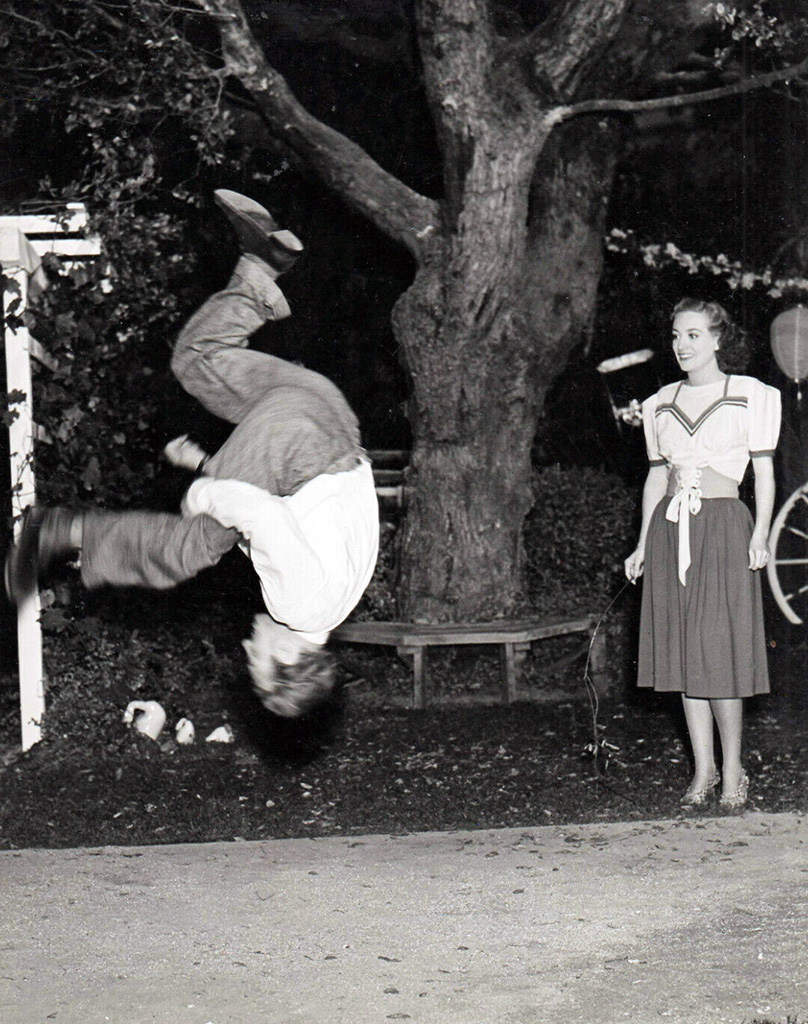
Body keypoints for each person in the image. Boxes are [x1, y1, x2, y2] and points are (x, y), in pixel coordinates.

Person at [5, 189, 380, 718]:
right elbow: (261, 510)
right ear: (287, 659)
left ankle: (259, 270)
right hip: (298, 444)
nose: (249, 647)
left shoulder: (335, 599)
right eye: (257, 660)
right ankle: (59, 531)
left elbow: (294, 510)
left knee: (197, 361)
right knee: (188, 548)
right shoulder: (298, 604)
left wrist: (208, 467)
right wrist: (204, 493)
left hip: (325, 414)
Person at [624, 297, 780, 811]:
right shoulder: (659, 403)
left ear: (717, 339)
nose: (682, 345)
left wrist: (759, 535)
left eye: (693, 334)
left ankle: (734, 771)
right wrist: (644, 543)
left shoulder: (749, 395)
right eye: (676, 335)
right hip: (672, 530)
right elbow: (653, 478)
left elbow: (763, 473)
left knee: (718, 651)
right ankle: (703, 770)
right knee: (684, 653)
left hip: (723, 526)